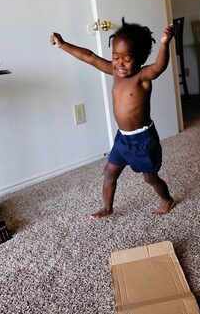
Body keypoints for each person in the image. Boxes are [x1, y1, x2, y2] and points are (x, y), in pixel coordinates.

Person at [51, 19, 176, 219]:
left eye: (127, 59)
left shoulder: (142, 76)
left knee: (150, 178)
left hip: (142, 140)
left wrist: (164, 44)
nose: (120, 63)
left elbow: (159, 67)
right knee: (109, 173)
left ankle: (167, 199)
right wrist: (63, 45)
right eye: (116, 57)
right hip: (122, 139)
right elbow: (90, 57)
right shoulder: (114, 72)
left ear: (142, 58)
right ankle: (107, 207)